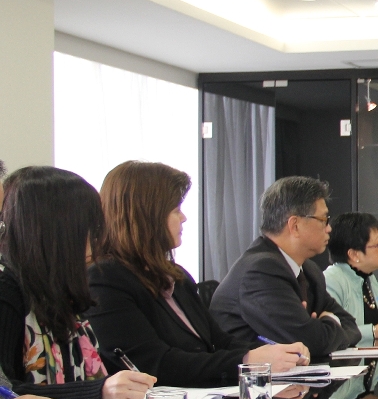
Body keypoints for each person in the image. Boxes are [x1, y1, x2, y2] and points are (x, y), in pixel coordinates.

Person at [88, 161, 307, 386]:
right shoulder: (105, 280)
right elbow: (156, 364)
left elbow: (220, 342)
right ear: (147, 216)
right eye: (176, 210)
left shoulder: (176, 276)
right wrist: (247, 361)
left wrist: (278, 354)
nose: (183, 218)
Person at [0, 167, 156, 399]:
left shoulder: (61, 292)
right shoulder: (7, 294)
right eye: (86, 229)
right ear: (56, 233)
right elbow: (7, 395)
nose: (96, 240)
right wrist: (98, 392)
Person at [211, 177, 360, 361]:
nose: (329, 228)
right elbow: (312, 342)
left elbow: (351, 327)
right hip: (251, 378)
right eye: (323, 219)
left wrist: (324, 326)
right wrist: (331, 321)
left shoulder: (309, 270)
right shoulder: (260, 271)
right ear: (294, 225)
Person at [323, 212, 378, 346]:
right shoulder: (331, 280)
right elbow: (330, 334)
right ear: (354, 254)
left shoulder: (370, 278)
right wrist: (374, 331)